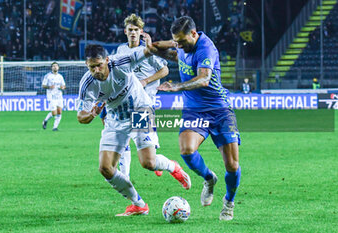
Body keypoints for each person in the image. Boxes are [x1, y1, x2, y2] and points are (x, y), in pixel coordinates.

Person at [77, 44, 191, 216]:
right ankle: (138, 204)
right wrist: (92, 114)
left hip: (140, 110)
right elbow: (81, 116)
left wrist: (172, 43)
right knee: (105, 168)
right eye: (92, 67)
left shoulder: (120, 63)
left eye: (99, 65)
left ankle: (172, 167)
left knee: (148, 163)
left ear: (107, 60)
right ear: (87, 65)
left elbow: (147, 51)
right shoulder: (87, 84)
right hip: (115, 119)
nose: (96, 70)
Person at [145, 16, 241, 221]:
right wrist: (152, 47)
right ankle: (209, 178)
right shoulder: (183, 45)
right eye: (175, 41)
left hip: (220, 109)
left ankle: (229, 202)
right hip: (194, 110)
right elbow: (174, 53)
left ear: (194, 34)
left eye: (181, 41)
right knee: (186, 150)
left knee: (232, 165)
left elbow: (205, 78)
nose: (178, 45)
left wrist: (177, 86)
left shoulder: (206, 48)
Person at [100, 14, 169, 178]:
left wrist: (146, 80)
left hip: (143, 102)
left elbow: (164, 70)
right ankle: (125, 175)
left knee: (147, 149)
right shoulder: (121, 50)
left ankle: (156, 160)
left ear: (141, 32)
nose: (133, 33)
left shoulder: (147, 51)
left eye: (136, 30)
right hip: (125, 101)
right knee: (118, 132)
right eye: (130, 30)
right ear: (125, 31)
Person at [42, 62, 66, 131]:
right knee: (54, 113)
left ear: (58, 68)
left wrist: (62, 87)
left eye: (56, 66)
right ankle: (45, 120)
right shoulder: (48, 76)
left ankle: (55, 127)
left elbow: (64, 86)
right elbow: (43, 85)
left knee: (59, 112)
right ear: (51, 68)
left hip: (59, 96)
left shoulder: (60, 76)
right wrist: (49, 86)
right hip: (51, 96)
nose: (55, 67)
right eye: (53, 66)